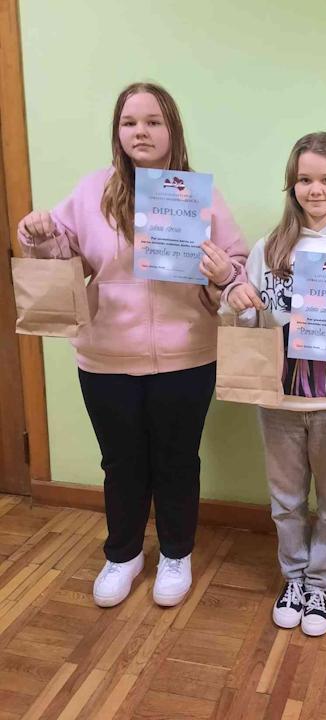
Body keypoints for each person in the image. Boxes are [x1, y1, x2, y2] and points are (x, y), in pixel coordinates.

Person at [17, 82, 248, 608]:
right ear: (117, 133)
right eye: (129, 122)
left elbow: (235, 270)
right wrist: (38, 234)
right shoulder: (91, 191)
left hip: (187, 356)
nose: (140, 131)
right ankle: (123, 554)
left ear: (172, 130)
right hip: (105, 356)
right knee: (120, 463)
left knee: (177, 461)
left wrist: (222, 273)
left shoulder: (199, 195)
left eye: (152, 121)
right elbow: (64, 257)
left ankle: (176, 553)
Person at [207, 131, 326, 636]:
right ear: (291, 185)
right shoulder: (268, 248)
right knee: (287, 502)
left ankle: (321, 585)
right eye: (306, 179)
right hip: (280, 398)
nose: (317, 190)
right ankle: (293, 579)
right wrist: (235, 303)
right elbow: (250, 324)